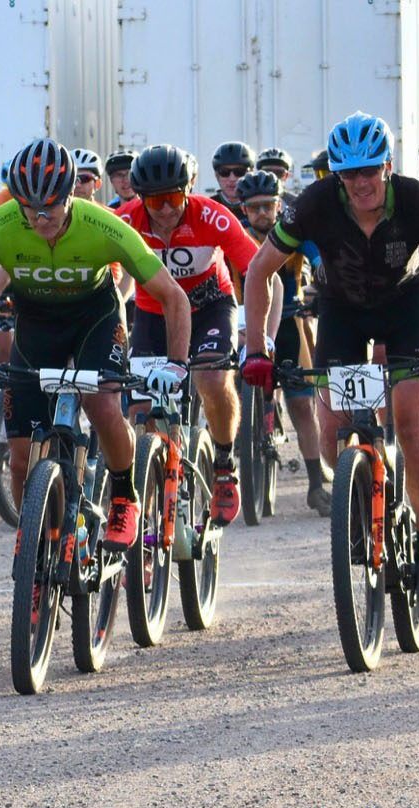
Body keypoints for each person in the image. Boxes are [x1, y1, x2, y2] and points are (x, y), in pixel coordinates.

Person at [241, 111, 419, 604]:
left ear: (387, 166)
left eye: (370, 170)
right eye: (349, 173)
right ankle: (361, 492)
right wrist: (256, 349)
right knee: (332, 430)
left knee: (412, 423)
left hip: (406, 309)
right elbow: (258, 272)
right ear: (336, 173)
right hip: (342, 312)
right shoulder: (313, 205)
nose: (361, 182)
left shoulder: (418, 198)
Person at [0, 139, 192, 546]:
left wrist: (176, 363)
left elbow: (172, 297)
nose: (41, 218)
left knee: (101, 405)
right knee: (22, 458)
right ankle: (41, 552)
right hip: (36, 326)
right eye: (30, 209)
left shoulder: (105, 226)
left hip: (94, 320)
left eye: (51, 208)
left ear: (70, 197)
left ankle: (123, 496)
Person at [118, 144, 261, 526]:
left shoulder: (212, 216)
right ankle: (150, 514)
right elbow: (109, 273)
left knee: (211, 378)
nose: (166, 209)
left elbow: (258, 269)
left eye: (173, 198)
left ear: (189, 189)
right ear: (140, 198)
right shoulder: (126, 219)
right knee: (142, 412)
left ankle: (224, 464)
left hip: (211, 305)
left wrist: (261, 332)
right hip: (154, 314)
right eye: (155, 201)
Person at [235, 169, 330, 514]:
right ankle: (240, 453)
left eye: (269, 206)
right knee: (236, 392)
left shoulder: (296, 232)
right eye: (254, 207)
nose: (262, 214)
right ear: (243, 209)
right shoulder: (236, 237)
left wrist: (321, 282)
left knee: (303, 405)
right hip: (245, 322)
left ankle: (317, 484)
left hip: (291, 320)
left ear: (279, 205)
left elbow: (321, 263)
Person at [211, 141, 255, 220]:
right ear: (216, 175)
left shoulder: (258, 206)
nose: (232, 178)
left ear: (250, 173)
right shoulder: (207, 207)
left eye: (239, 172)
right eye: (224, 172)